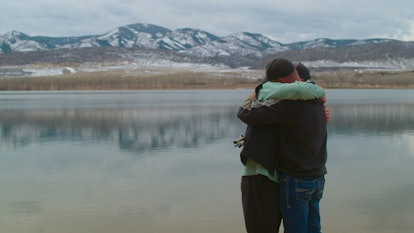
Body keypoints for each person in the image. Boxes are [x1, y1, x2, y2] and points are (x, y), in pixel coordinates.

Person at [238, 58, 328, 233]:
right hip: (312, 175)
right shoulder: (317, 105)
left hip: (273, 176)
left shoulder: (286, 106)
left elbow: (246, 113)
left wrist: (254, 95)